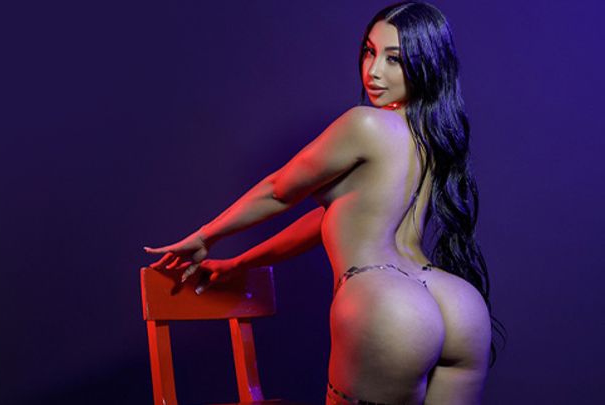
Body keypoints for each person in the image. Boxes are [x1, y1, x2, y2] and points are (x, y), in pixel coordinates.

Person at [141, 2, 496, 403]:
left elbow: (279, 190)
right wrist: (240, 263)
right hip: (457, 304)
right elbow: (328, 220)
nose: (373, 71)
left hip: (389, 305)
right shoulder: (433, 137)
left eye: (394, 59)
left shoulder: (365, 124)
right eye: (369, 51)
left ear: (427, 64)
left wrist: (207, 237)